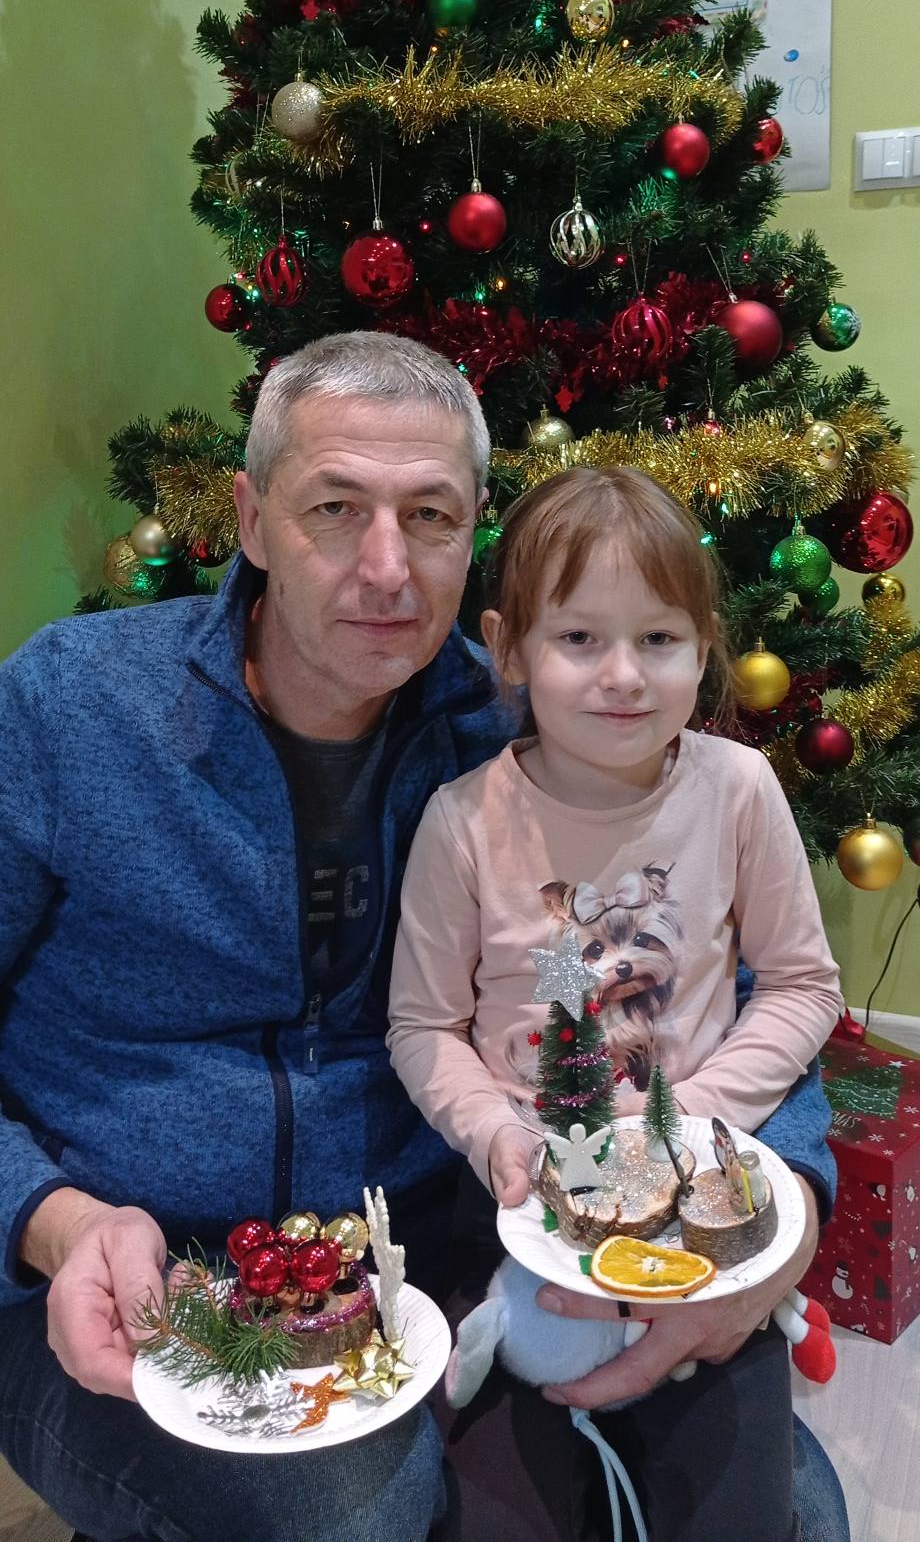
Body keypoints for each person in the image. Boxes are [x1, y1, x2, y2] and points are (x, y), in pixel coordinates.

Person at [0, 337, 846, 1542]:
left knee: (786, 1509)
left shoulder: (523, 724)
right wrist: (50, 1218)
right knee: (360, 1517)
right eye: (334, 508)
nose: (386, 567)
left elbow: (732, 980)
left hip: (436, 1241)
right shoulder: (69, 708)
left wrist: (784, 1209)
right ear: (249, 519)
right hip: (129, 1268)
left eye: (431, 516)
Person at [389, 466, 844, 1542]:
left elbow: (801, 985)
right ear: (507, 649)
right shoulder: (462, 823)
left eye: (659, 638)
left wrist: (690, 1121)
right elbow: (422, 1025)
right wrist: (493, 1132)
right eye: (579, 638)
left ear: (705, 645)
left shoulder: (738, 791)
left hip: (699, 1206)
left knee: (740, 1512)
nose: (624, 675)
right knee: (498, 1515)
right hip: (522, 1218)